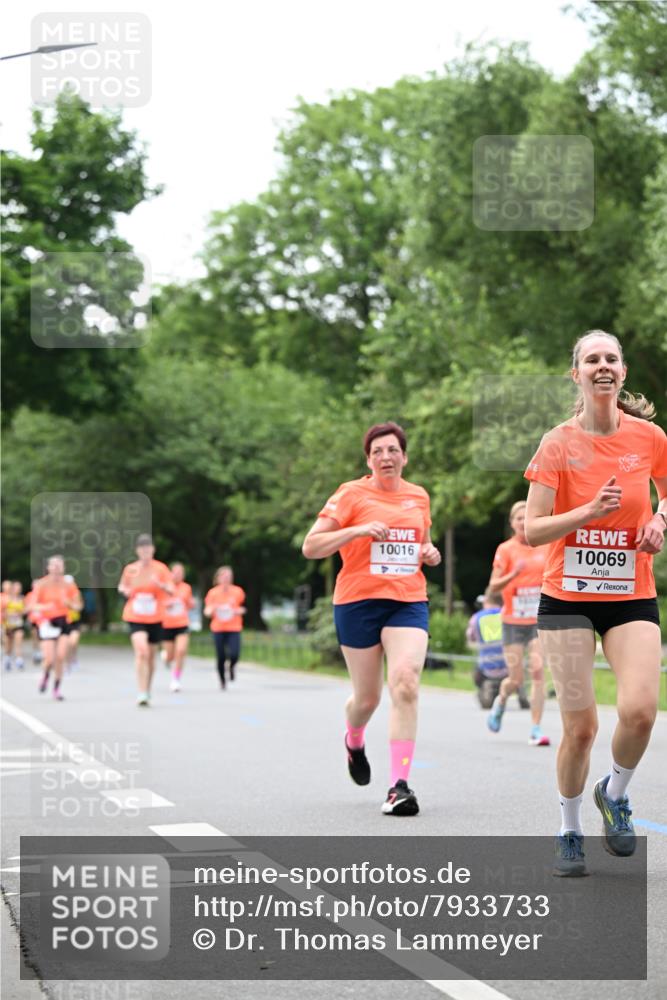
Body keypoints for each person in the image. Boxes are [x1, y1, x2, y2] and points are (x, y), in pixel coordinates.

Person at [524, 329, 667, 877]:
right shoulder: (557, 443)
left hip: (631, 593)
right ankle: (568, 827)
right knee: (580, 728)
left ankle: (616, 793)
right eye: (591, 359)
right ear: (577, 374)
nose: (602, 366)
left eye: (611, 358)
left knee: (640, 711)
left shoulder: (650, 437)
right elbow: (534, 530)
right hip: (567, 601)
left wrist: (658, 521)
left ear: (622, 373)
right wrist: (585, 512)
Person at [302, 421, 441, 816]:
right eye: (378, 451)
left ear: (405, 456)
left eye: (393, 450)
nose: (386, 457)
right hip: (358, 602)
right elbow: (311, 546)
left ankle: (399, 786)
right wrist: (358, 530)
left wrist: (429, 553)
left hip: (407, 601)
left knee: (406, 683)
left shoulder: (418, 496)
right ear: (369, 459)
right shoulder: (351, 494)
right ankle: (355, 738)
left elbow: (423, 543)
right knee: (367, 698)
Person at [486, 501, 551, 745]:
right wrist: (513, 574)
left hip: (538, 621)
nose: (523, 523)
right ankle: (501, 700)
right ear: (512, 523)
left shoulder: (546, 545)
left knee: (537, 672)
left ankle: (535, 728)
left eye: (527, 518)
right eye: (519, 519)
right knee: (515, 680)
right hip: (513, 621)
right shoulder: (506, 550)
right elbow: (493, 586)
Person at [118, 534, 174, 707]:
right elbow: (122, 585)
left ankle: (147, 689)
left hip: (155, 616)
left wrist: (161, 586)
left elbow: (171, 589)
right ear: (137, 551)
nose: (145, 553)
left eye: (148, 549)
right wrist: (125, 591)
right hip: (135, 615)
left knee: (150, 657)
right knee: (141, 651)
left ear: (153, 550)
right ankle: (141, 692)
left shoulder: (161, 569)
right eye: (142, 550)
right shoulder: (131, 569)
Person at [32, 558, 83, 700]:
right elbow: (32, 606)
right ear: (48, 567)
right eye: (53, 565)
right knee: (49, 659)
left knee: (60, 657)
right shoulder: (41, 584)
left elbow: (79, 606)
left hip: (63, 622)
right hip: (47, 623)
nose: (56, 568)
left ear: (63, 568)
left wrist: (70, 604)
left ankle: (56, 689)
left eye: (59, 565)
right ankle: (46, 676)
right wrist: (46, 607)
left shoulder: (69, 585)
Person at [204, 567, 246, 689]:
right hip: (218, 628)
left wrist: (236, 611)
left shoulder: (238, 592)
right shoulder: (213, 593)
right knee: (221, 655)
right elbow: (207, 611)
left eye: (229, 576)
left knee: (234, 653)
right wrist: (212, 609)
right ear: (218, 578)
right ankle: (222, 680)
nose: (226, 579)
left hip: (234, 627)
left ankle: (232, 666)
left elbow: (243, 608)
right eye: (224, 576)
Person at [466, 589, 508, 708]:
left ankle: (482, 691)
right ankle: (520, 693)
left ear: (486, 601)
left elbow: (470, 638)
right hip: (509, 666)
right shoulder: (507, 615)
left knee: (476, 674)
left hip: (486, 666)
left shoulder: (476, 618)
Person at [161, 562, 194, 692]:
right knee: (170, 656)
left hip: (182, 623)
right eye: (175, 572)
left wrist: (192, 604)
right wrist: (167, 603)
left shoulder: (186, 588)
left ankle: (176, 679)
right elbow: (158, 602)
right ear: (170, 574)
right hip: (167, 624)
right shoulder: (164, 587)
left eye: (181, 573)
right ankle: (166, 657)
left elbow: (188, 603)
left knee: (181, 651)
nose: (178, 575)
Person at [3, 581, 26, 670]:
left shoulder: (21, 598)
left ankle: (19, 660)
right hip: (8, 625)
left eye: (19, 588)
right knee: (9, 645)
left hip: (18, 624)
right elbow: (3, 612)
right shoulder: (6, 599)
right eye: (16, 588)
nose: (18, 590)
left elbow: (25, 610)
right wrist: (10, 615)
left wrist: (21, 613)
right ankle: (7, 658)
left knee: (18, 642)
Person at [64, 574, 82, 670]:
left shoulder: (76, 593)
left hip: (75, 621)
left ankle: (74, 658)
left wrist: (70, 604)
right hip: (64, 621)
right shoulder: (61, 594)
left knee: (73, 642)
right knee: (67, 643)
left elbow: (79, 607)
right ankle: (68, 663)